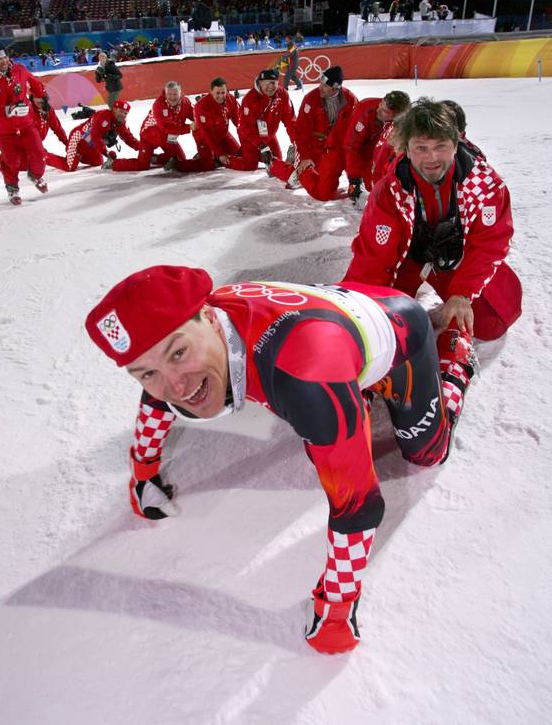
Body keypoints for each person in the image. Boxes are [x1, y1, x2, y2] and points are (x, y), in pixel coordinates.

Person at [85, 266, 456, 655]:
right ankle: (350, 393)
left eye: (178, 353)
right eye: (146, 373)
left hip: (398, 333)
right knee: (322, 414)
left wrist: (336, 610)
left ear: (211, 318)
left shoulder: (304, 372)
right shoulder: (189, 340)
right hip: (335, 328)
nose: (175, 386)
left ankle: (455, 362)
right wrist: (143, 476)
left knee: (426, 454)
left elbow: (359, 505)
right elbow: (158, 397)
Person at [346, 100, 522, 425]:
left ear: (457, 144)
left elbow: (491, 240)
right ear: (406, 147)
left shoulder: (485, 183)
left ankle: (453, 354)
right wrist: (358, 311)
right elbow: (373, 256)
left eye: (441, 146)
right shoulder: (389, 189)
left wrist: (462, 293)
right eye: (421, 147)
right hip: (408, 258)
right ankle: (358, 379)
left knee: (497, 317)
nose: (431, 158)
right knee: (379, 318)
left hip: (455, 259)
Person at [268, 66, 358, 200]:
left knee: (323, 182)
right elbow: (301, 131)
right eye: (320, 83)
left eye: (325, 86)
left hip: (334, 148)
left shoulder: (350, 99)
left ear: (335, 88)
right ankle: (274, 164)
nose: (319, 87)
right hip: (311, 146)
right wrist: (305, 156)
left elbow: (354, 129)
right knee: (298, 177)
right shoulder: (310, 99)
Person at [0, 40, 48, 205]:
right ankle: (12, 188)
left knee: (39, 152)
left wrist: (41, 96)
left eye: (5, 57)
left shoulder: (19, 69)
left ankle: (36, 175)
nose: (3, 61)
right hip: (4, 130)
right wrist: (8, 110)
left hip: (26, 124)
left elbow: (35, 82)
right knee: (12, 162)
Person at [110, 82, 195, 173]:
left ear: (180, 93)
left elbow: (194, 115)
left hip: (167, 136)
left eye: (175, 94)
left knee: (180, 159)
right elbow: (166, 127)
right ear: (165, 94)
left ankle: (155, 159)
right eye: (169, 94)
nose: (172, 97)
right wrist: (189, 127)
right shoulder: (158, 105)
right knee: (142, 165)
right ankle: (113, 163)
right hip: (149, 135)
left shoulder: (186, 102)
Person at [225, 69, 295, 171]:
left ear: (278, 83)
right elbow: (245, 127)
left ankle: (248, 154)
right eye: (266, 83)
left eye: (273, 83)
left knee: (276, 160)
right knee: (250, 165)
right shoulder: (250, 99)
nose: (270, 86)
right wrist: (261, 146)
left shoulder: (282, 94)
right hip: (249, 136)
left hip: (268, 134)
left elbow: (290, 120)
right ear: (260, 83)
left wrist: (295, 142)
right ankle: (222, 160)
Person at [344, 91, 411, 198]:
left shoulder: (407, 121)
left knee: (375, 188)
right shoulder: (365, 112)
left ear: (397, 116)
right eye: (381, 104)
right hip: (345, 140)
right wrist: (353, 181)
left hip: (371, 144)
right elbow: (351, 148)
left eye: (384, 111)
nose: (378, 109)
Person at [170, 78, 240, 173]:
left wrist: (249, 135)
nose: (221, 96)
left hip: (222, 133)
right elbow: (206, 134)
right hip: (203, 137)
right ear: (211, 91)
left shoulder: (231, 99)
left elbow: (238, 121)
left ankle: (210, 155)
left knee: (238, 154)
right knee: (207, 165)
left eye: (223, 93)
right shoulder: (201, 106)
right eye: (217, 93)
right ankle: (176, 164)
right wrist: (220, 153)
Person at [61, 100, 140, 172]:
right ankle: (48, 157)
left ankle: (77, 155)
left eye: (125, 113)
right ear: (114, 109)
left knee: (97, 162)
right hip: (78, 139)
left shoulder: (120, 123)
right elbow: (96, 137)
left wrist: (142, 147)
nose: (123, 115)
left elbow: (128, 138)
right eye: (121, 111)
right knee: (69, 167)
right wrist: (106, 152)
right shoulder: (104, 117)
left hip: (90, 144)